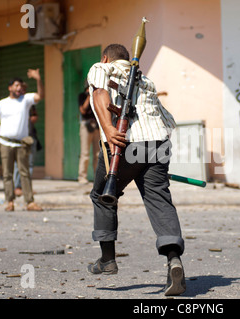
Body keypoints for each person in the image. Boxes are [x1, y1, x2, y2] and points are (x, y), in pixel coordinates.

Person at [86, 44, 185, 296]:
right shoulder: (145, 79)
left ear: (106, 57)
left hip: (124, 143)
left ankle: (107, 260)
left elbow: (100, 94)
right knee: (159, 199)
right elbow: (168, 120)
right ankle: (174, 260)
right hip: (158, 143)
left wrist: (109, 130)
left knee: (102, 196)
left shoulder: (102, 67)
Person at [0, 69, 44, 212]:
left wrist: (38, 79)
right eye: (16, 85)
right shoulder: (2, 103)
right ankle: (10, 201)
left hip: (21, 143)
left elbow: (40, 96)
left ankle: (29, 202)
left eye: (20, 86)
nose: (19, 88)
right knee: (7, 174)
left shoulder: (25, 100)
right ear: (10, 88)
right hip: (5, 143)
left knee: (24, 172)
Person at [14, 82, 42, 197]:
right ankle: (17, 187)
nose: (22, 90)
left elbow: (35, 117)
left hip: (30, 136)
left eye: (24, 88)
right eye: (19, 88)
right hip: (19, 138)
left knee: (29, 164)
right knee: (18, 164)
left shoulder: (29, 103)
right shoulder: (13, 103)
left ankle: (27, 187)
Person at [77, 86, 100, 184]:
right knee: (85, 153)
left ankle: (98, 177)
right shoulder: (82, 96)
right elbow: (83, 110)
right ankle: (82, 177)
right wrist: (89, 97)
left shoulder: (98, 95)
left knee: (98, 154)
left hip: (97, 125)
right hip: (86, 125)